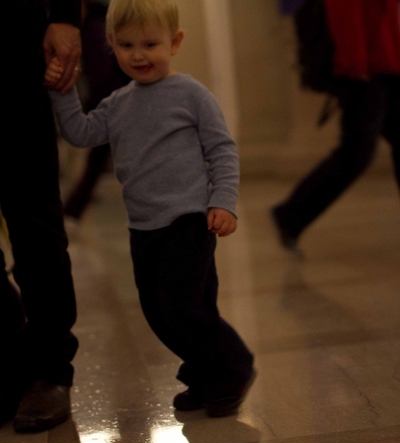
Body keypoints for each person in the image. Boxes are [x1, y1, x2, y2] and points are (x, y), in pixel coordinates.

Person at [45, 0, 255, 418]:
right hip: (143, 228)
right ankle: (204, 374)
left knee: (183, 307)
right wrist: (64, 92)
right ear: (110, 46)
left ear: (174, 42)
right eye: (126, 45)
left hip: (189, 222)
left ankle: (233, 367)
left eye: (150, 44)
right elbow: (81, 133)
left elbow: (222, 150)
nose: (138, 54)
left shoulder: (191, 94)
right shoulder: (118, 103)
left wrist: (222, 202)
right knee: (159, 310)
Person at [0, 0, 81, 432]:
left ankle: (50, 369)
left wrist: (65, 14)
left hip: (12, 38)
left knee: (33, 219)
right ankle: (11, 360)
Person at [271, 0, 400, 250]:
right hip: (366, 70)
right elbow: (345, 9)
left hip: (389, 64)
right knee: (357, 152)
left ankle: (290, 216)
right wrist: (354, 63)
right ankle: (290, 215)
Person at [63, 0, 130, 221]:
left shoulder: (96, 25)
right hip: (111, 103)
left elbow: (102, 74)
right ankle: (73, 209)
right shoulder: (96, 26)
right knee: (96, 161)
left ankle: (73, 209)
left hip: (111, 102)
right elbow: (102, 74)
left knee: (98, 162)